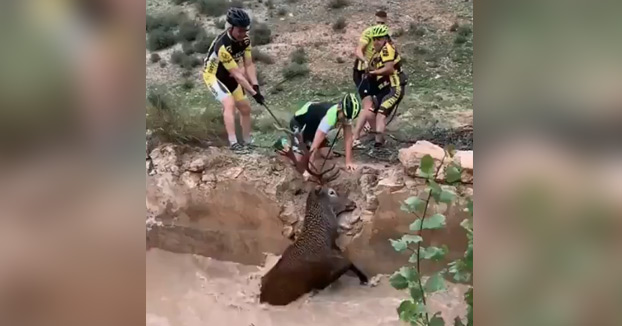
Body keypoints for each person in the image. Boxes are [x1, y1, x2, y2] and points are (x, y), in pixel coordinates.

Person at [202, 7, 266, 153]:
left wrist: (255, 85)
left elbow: (249, 64)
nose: (243, 34)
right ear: (230, 28)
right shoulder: (222, 45)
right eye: (240, 30)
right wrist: (254, 94)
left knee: (245, 108)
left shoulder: (246, 40)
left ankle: (247, 141)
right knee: (229, 103)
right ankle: (233, 143)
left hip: (230, 75)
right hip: (213, 76)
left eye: (245, 30)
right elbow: (237, 74)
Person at [276, 93, 361, 173]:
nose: (346, 120)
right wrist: (309, 169)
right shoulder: (329, 118)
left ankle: (305, 147)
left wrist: (348, 162)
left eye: (349, 119)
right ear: (340, 109)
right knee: (298, 160)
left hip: (314, 128)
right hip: (299, 123)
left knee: (328, 154)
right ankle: (282, 144)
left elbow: (348, 139)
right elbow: (315, 145)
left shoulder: (346, 116)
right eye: (345, 117)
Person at [353, 24, 407, 148]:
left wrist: (372, 72)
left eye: (379, 39)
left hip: (395, 87)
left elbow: (388, 69)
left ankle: (378, 144)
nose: (376, 42)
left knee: (381, 114)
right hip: (384, 87)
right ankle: (360, 136)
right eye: (374, 39)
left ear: (385, 39)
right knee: (370, 110)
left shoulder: (387, 49)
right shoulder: (377, 53)